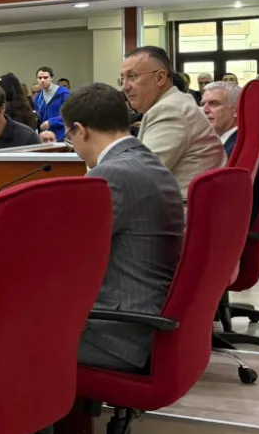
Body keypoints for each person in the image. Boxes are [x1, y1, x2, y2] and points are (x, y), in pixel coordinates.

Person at [60, 83, 184, 372]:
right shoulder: (146, 161)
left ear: (81, 130)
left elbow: (67, 251)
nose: (74, 146)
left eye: (70, 137)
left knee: (3, 339)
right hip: (146, 318)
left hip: (120, 333)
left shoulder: (110, 173)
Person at [121, 46, 225, 195]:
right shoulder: (177, 103)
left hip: (180, 213)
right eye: (122, 78)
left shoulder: (170, 111)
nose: (125, 86)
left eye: (132, 76)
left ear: (160, 78)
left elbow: (138, 178)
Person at [201, 81, 259, 232]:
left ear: (236, 110)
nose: (205, 110)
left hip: (224, 232)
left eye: (214, 104)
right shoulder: (236, 143)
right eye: (203, 104)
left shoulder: (238, 149)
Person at [33, 66, 71, 141]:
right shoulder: (37, 98)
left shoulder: (63, 93)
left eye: (45, 77)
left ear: (52, 78)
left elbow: (70, 114)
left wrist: (52, 122)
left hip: (62, 135)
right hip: (46, 138)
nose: (42, 80)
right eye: (39, 78)